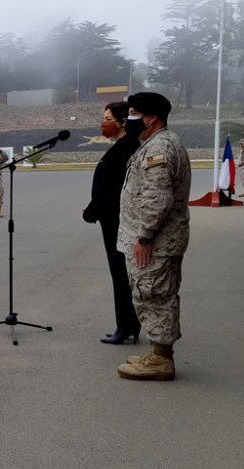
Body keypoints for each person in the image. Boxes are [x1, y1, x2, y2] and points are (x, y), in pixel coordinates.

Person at [115, 92, 191, 381]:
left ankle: (161, 360)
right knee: (150, 294)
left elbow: (157, 198)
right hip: (153, 239)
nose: (129, 118)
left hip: (155, 242)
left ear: (152, 117)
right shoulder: (153, 144)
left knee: (155, 294)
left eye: (134, 112)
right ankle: (159, 354)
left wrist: (144, 236)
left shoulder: (159, 148)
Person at [83, 102, 142, 345]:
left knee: (120, 273)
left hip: (117, 219)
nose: (103, 122)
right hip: (111, 217)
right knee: (120, 273)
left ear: (121, 122)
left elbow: (113, 188)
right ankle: (128, 324)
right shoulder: (123, 146)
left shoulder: (127, 147)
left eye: (107, 118)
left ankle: (126, 325)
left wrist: (92, 209)